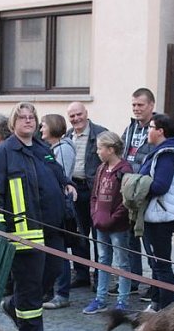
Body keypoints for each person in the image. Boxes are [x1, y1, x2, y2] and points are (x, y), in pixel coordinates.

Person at [0, 102, 76, 331]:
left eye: (31, 117)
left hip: (53, 227)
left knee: (52, 273)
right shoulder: (1, 154)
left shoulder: (43, 149)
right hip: (23, 230)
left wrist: (67, 185)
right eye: (22, 117)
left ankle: (15, 306)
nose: (28, 121)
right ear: (13, 123)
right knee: (29, 282)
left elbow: (56, 174)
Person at [139, 113, 174, 312]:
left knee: (161, 263)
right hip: (156, 214)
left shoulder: (167, 155)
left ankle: (167, 308)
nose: (147, 131)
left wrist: (138, 184)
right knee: (155, 262)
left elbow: (160, 185)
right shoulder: (161, 152)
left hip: (161, 215)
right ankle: (156, 303)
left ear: (161, 131)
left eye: (151, 127)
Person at [83, 131, 133, 314]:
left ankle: (122, 300)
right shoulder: (101, 169)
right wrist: (95, 214)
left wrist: (113, 218)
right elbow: (94, 195)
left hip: (118, 226)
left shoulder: (124, 170)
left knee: (122, 261)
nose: (97, 152)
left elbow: (126, 201)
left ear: (111, 150)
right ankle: (100, 297)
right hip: (100, 223)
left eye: (100, 148)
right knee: (102, 260)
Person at [65, 101, 107, 289]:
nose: (76, 119)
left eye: (78, 114)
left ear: (86, 113)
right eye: (72, 116)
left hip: (95, 190)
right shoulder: (67, 136)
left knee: (98, 236)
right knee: (78, 234)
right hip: (74, 189)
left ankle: (99, 277)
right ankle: (81, 274)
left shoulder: (100, 133)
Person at [120, 88, 157, 298]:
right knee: (130, 239)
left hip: (145, 191)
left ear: (151, 105)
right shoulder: (131, 128)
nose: (136, 109)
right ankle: (134, 280)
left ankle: (155, 284)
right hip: (129, 191)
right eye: (134, 105)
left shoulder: (157, 128)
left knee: (148, 240)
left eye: (140, 105)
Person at [39, 113, 77, 310]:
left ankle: (61, 293)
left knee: (60, 251)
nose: (40, 128)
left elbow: (59, 176)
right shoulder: (50, 149)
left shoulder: (62, 150)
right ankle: (52, 291)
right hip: (53, 205)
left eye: (43, 125)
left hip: (60, 207)